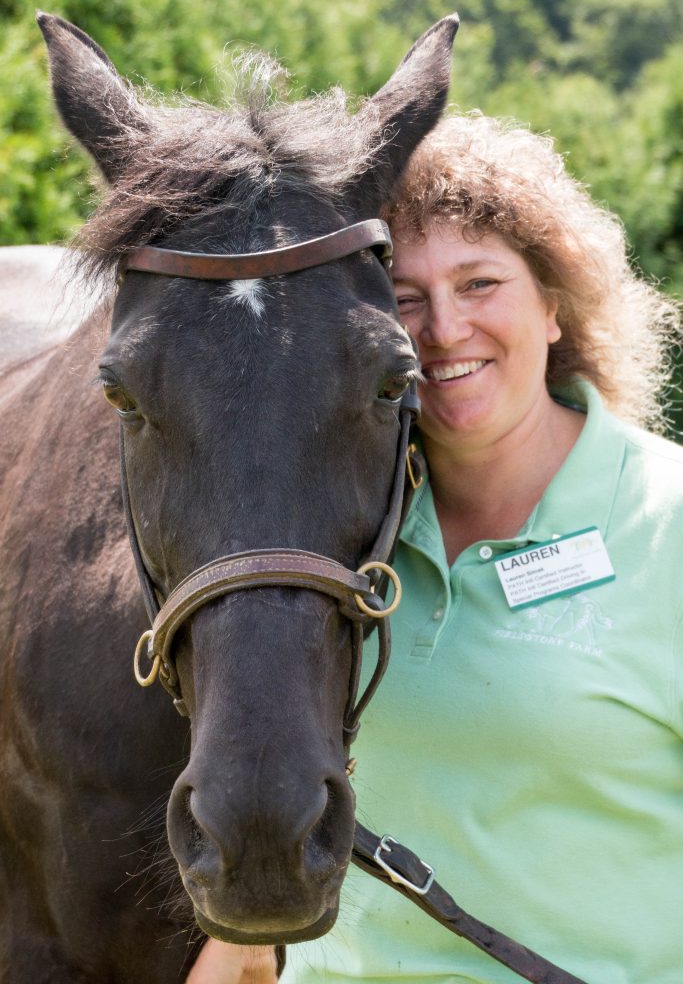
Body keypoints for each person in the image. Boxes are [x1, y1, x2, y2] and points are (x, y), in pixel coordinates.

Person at [194, 114, 683, 982]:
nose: (444, 330)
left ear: (555, 303)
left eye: (480, 282)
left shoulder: (665, 522)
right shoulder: (326, 536)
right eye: (405, 300)